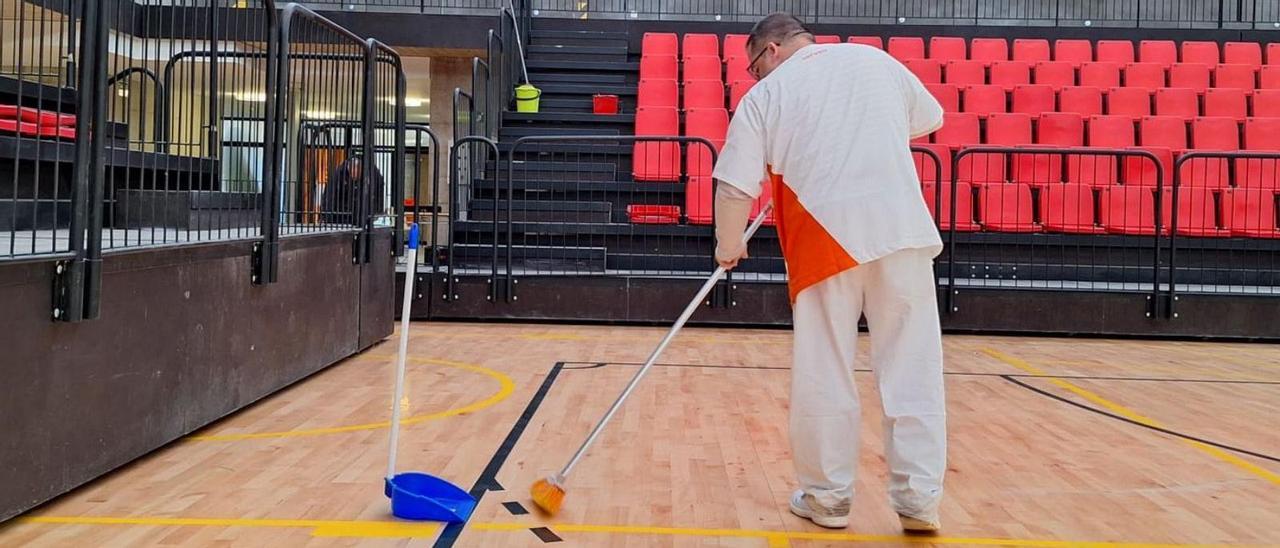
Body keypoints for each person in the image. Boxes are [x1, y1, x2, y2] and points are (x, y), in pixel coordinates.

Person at [711, 13, 947, 533]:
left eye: (753, 68)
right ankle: (919, 500)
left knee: (826, 368)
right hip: (901, 230)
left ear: (770, 50)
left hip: (824, 238)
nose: (755, 78)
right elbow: (930, 117)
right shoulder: (874, 59)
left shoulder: (765, 96)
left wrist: (728, 246)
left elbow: (733, 186)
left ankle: (827, 498)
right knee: (914, 369)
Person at [320, 155, 384, 225]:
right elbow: (329, 197)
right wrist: (327, 217)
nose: (356, 176)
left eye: (359, 173)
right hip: (342, 216)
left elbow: (379, 189)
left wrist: (377, 211)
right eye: (353, 172)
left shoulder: (372, 172)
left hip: (365, 215)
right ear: (350, 168)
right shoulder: (338, 175)